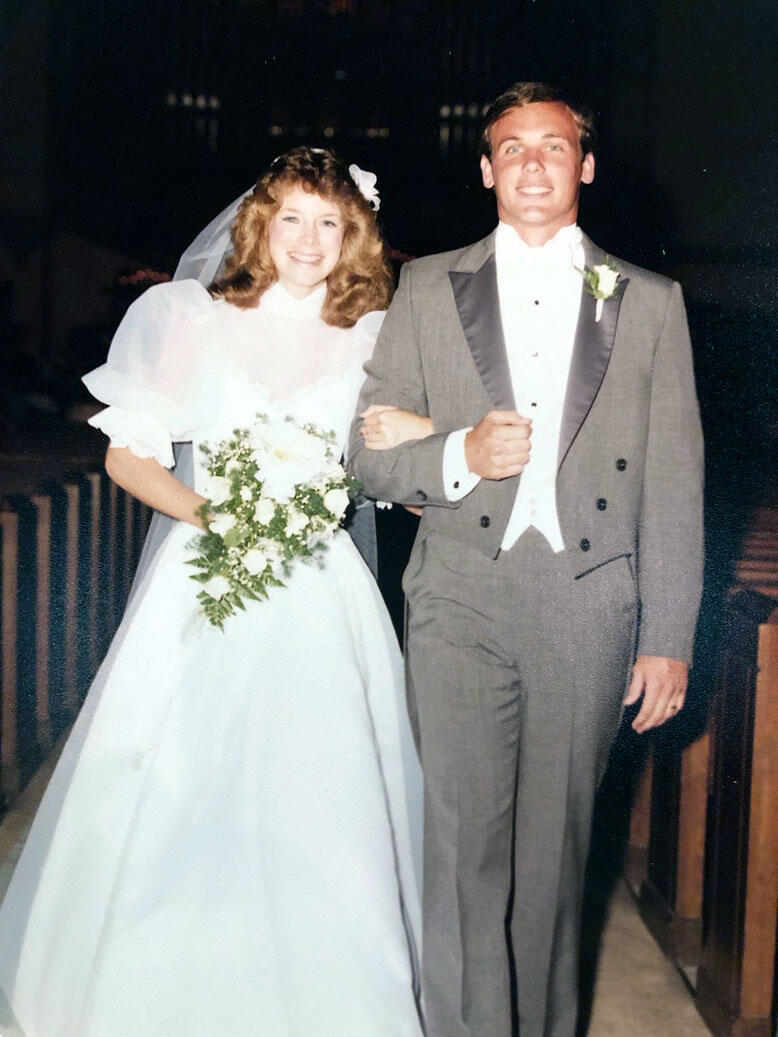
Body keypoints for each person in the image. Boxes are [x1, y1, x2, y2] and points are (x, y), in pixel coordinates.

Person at [0, 147, 424, 1037]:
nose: (308, 241)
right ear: (260, 226)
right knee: (182, 781)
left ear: (353, 235)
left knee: (322, 789)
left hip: (320, 586)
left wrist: (413, 440)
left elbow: (389, 460)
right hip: (208, 575)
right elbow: (127, 454)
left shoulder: (377, 331)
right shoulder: (188, 316)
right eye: (292, 219)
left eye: (329, 223)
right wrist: (213, 516)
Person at [350, 82, 704, 1037]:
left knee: (555, 855)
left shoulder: (653, 304)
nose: (534, 164)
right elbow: (366, 453)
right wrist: (456, 454)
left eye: (554, 147)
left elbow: (674, 484)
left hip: (588, 604)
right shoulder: (427, 288)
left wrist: (668, 634)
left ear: (585, 165)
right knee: (462, 847)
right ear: (486, 168)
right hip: (460, 592)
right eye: (513, 148)